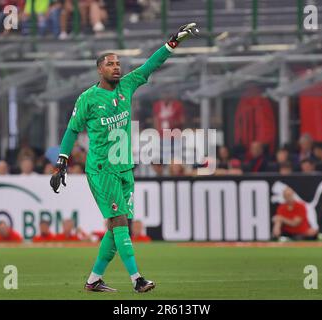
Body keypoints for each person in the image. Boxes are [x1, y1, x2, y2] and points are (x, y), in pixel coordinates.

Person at [49, 23, 198, 293]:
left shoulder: (127, 86)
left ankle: (94, 280)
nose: (116, 67)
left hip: (125, 168)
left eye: (118, 63)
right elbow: (72, 130)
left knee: (117, 228)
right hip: (102, 169)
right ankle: (137, 279)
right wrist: (61, 162)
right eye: (110, 64)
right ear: (99, 69)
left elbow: (150, 65)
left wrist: (173, 42)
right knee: (119, 223)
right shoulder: (88, 99)